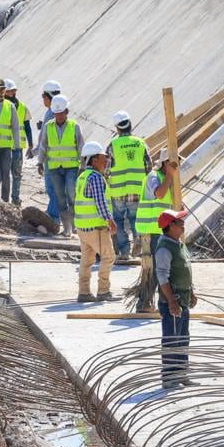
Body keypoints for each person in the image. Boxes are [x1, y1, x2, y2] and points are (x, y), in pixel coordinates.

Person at [127, 157, 180, 313]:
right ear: (165, 163)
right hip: (151, 229)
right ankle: (144, 302)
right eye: (173, 164)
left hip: (160, 229)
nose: (176, 167)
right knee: (154, 267)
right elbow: (160, 194)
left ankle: (160, 302)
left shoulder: (166, 178)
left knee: (163, 266)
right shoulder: (154, 177)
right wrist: (170, 175)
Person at [154, 208, 196, 388]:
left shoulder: (179, 243)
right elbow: (162, 277)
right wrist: (171, 301)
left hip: (183, 300)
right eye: (179, 221)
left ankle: (181, 373)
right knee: (172, 338)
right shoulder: (164, 248)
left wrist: (192, 291)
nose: (183, 223)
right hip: (173, 302)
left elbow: (185, 270)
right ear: (170, 226)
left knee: (183, 338)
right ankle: (169, 377)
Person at [73, 141, 118, 303]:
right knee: (108, 257)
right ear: (94, 160)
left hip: (82, 227)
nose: (106, 161)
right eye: (102, 158)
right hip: (96, 227)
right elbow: (100, 203)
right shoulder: (96, 178)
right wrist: (110, 220)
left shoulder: (82, 177)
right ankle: (103, 291)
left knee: (87, 260)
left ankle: (84, 292)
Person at [106, 110, 152, 259]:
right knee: (135, 219)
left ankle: (125, 251)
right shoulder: (140, 143)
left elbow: (106, 170)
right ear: (130, 125)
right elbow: (148, 167)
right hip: (137, 189)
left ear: (117, 128)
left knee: (118, 221)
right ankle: (138, 238)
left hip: (117, 191)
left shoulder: (113, 145)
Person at [37, 95, 83, 235]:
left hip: (71, 167)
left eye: (61, 113)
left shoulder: (74, 126)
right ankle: (67, 228)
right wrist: (40, 162)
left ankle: (75, 226)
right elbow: (43, 146)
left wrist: (83, 165)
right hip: (55, 168)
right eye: (56, 113)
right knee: (60, 198)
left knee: (72, 195)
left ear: (66, 112)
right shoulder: (48, 126)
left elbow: (81, 146)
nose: (59, 116)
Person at [35, 80, 63, 222]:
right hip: (52, 158)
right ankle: (53, 214)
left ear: (49, 97)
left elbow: (46, 139)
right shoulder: (52, 112)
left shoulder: (52, 113)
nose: (43, 100)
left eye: (43, 96)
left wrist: (38, 156)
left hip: (52, 159)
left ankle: (54, 217)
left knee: (53, 189)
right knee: (52, 189)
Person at [3, 79, 31, 206]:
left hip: (18, 147)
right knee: (2, 174)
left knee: (17, 174)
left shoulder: (23, 107)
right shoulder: (0, 107)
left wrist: (30, 144)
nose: (12, 93)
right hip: (3, 148)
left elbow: (27, 126)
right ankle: (3, 200)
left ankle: (15, 199)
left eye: (13, 91)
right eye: (9, 91)